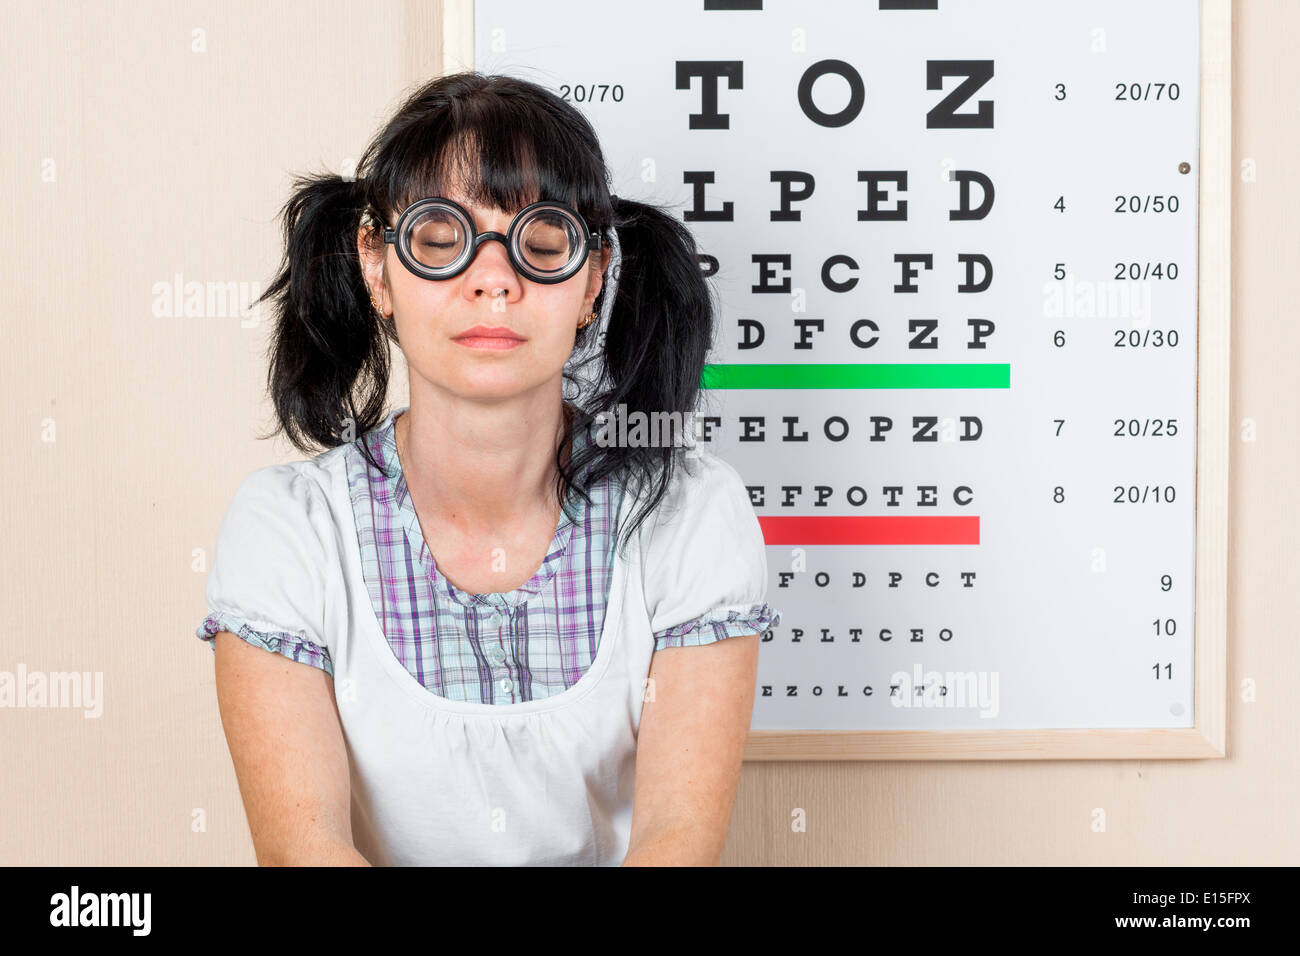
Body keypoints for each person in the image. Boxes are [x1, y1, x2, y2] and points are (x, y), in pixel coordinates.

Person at [195, 71, 780, 866]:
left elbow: (677, 841)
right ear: (377, 265)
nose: (494, 280)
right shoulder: (289, 528)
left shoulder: (689, 513)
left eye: (541, 245)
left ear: (594, 278)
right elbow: (304, 851)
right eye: (442, 239)